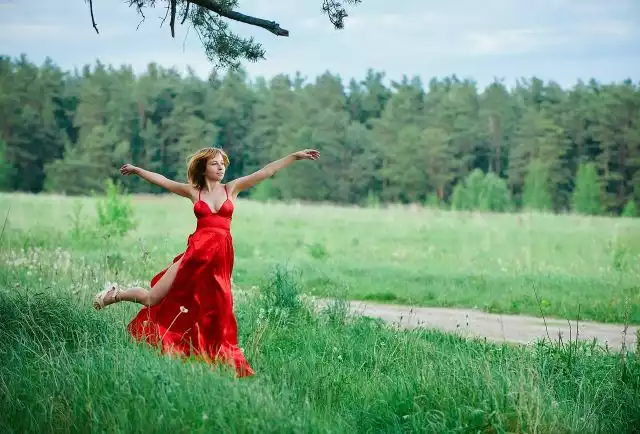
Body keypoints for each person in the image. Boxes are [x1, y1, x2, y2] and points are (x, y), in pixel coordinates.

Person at [92, 147, 320, 377]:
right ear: (203, 167)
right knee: (153, 298)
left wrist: (294, 157)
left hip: (218, 265)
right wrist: (138, 170)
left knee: (216, 314)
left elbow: (266, 171)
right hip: (193, 259)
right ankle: (115, 294)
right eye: (215, 164)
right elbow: (163, 181)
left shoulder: (232, 188)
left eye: (223, 163)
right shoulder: (194, 192)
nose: (221, 167)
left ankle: (211, 360)